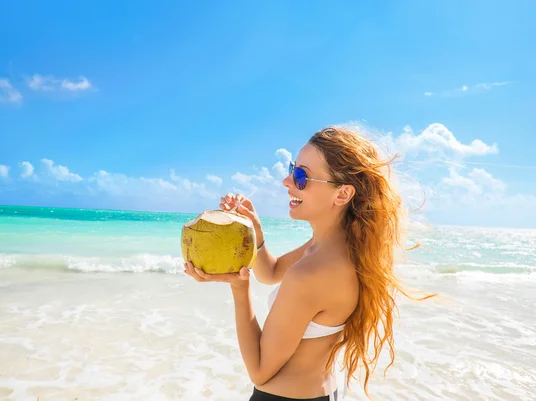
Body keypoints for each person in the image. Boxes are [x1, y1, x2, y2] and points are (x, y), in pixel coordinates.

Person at [184, 125, 433, 400]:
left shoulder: (312, 272)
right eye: (293, 169)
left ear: (342, 194)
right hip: (324, 392)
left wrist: (238, 289)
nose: (287, 181)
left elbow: (259, 370)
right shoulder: (335, 247)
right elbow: (271, 272)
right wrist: (254, 228)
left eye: (302, 176)